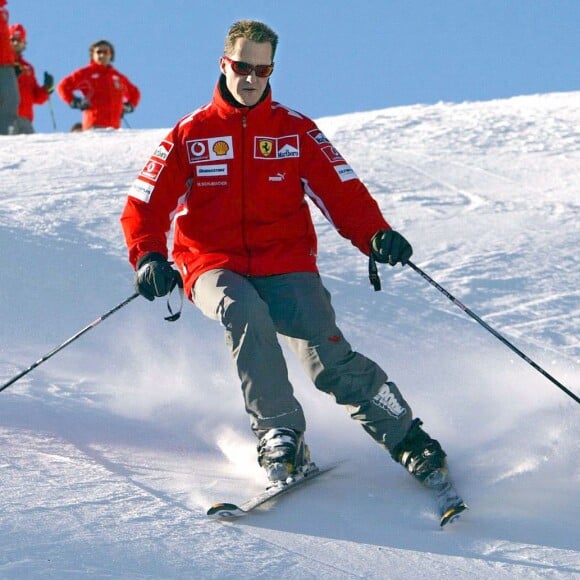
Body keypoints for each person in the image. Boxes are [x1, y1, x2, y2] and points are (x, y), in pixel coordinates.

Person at [120, 20, 465, 514]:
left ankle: (409, 439)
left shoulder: (294, 130)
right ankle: (281, 432)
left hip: (286, 263)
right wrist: (150, 255)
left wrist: (375, 234)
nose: (251, 78)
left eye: (262, 69)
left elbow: (342, 192)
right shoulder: (191, 134)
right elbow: (144, 203)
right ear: (224, 64)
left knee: (329, 360)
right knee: (243, 312)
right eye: (242, 67)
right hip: (212, 263)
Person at [57, 39, 140, 130]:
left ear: (111, 55)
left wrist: (129, 106)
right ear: (92, 55)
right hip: (94, 126)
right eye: (98, 52)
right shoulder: (86, 74)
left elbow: (135, 93)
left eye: (106, 52)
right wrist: (75, 101)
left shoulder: (118, 77)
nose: (102, 55)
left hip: (115, 128)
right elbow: (63, 86)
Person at [9, 23, 54, 134]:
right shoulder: (3, 63)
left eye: (19, 40)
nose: (15, 43)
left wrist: (47, 88)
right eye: (12, 39)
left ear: (24, 43)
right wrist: (11, 76)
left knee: (30, 149)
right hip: (6, 118)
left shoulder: (28, 68)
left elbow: (37, 98)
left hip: (25, 119)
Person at [0, 0, 18, 135]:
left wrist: (12, 60)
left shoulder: (3, 11)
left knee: (11, 99)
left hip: (6, 63)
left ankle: (6, 133)